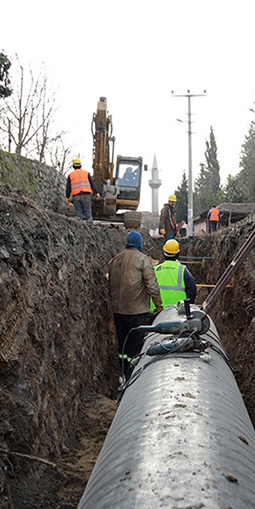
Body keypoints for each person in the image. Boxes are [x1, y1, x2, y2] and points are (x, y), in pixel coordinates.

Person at [106, 230, 163, 379]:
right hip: (136, 311)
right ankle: (135, 377)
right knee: (135, 346)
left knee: (123, 345)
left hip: (118, 311)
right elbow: (152, 285)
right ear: (139, 244)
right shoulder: (142, 259)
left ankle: (124, 374)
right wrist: (159, 306)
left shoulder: (114, 260)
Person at [152, 239, 197, 310]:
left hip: (157, 311)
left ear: (163, 253)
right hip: (177, 311)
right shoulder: (182, 270)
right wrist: (188, 305)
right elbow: (192, 289)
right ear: (177, 255)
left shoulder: (155, 270)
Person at [66, 158, 99, 222]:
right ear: (80, 165)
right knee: (88, 214)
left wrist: (68, 197)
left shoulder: (71, 175)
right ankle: (90, 229)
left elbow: (68, 188)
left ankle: (79, 230)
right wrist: (97, 192)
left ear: (73, 166)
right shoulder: (86, 173)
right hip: (86, 196)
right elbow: (92, 184)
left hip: (76, 197)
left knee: (79, 215)